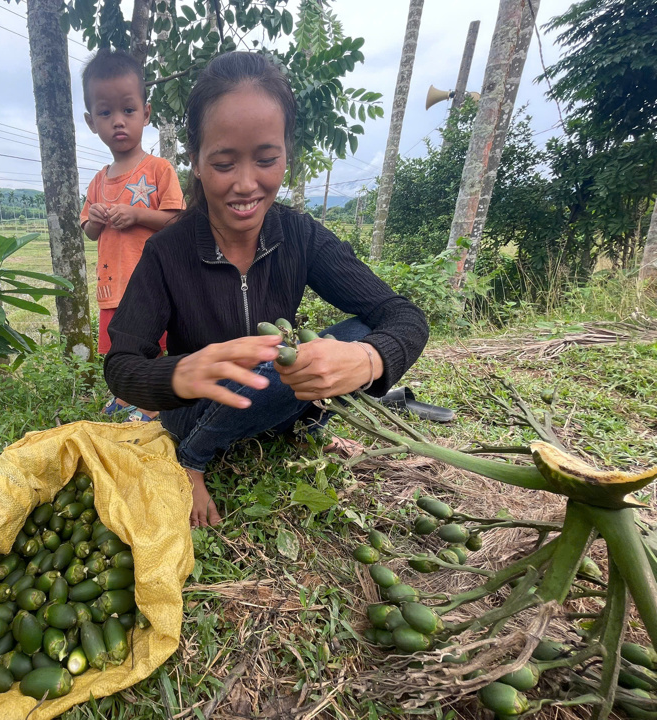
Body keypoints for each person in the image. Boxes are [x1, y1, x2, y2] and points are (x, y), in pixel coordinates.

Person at [103, 51, 430, 528]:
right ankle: (192, 459)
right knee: (276, 365)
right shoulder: (166, 252)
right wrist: (179, 374)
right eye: (223, 162)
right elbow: (121, 365)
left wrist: (367, 361)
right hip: (196, 411)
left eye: (266, 159)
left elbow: (403, 315)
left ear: (286, 155)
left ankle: (299, 420)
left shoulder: (300, 236)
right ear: (194, 160)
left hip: (280, 398)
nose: (246, 183)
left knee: (342, 341)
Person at [79, 49, 185, 420]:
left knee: (152, 346)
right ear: (92, 122)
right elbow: (91, 233)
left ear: (146, 113)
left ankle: (150, 404)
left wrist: (137, 214)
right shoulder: (96, 181)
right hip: (113, 283)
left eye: (128, 110)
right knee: (114, 346)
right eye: (106, 113)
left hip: (151, 283)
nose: (118, 122)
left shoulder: (158, 169)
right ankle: (123, 397)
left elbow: (176, 221)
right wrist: (95, 217)